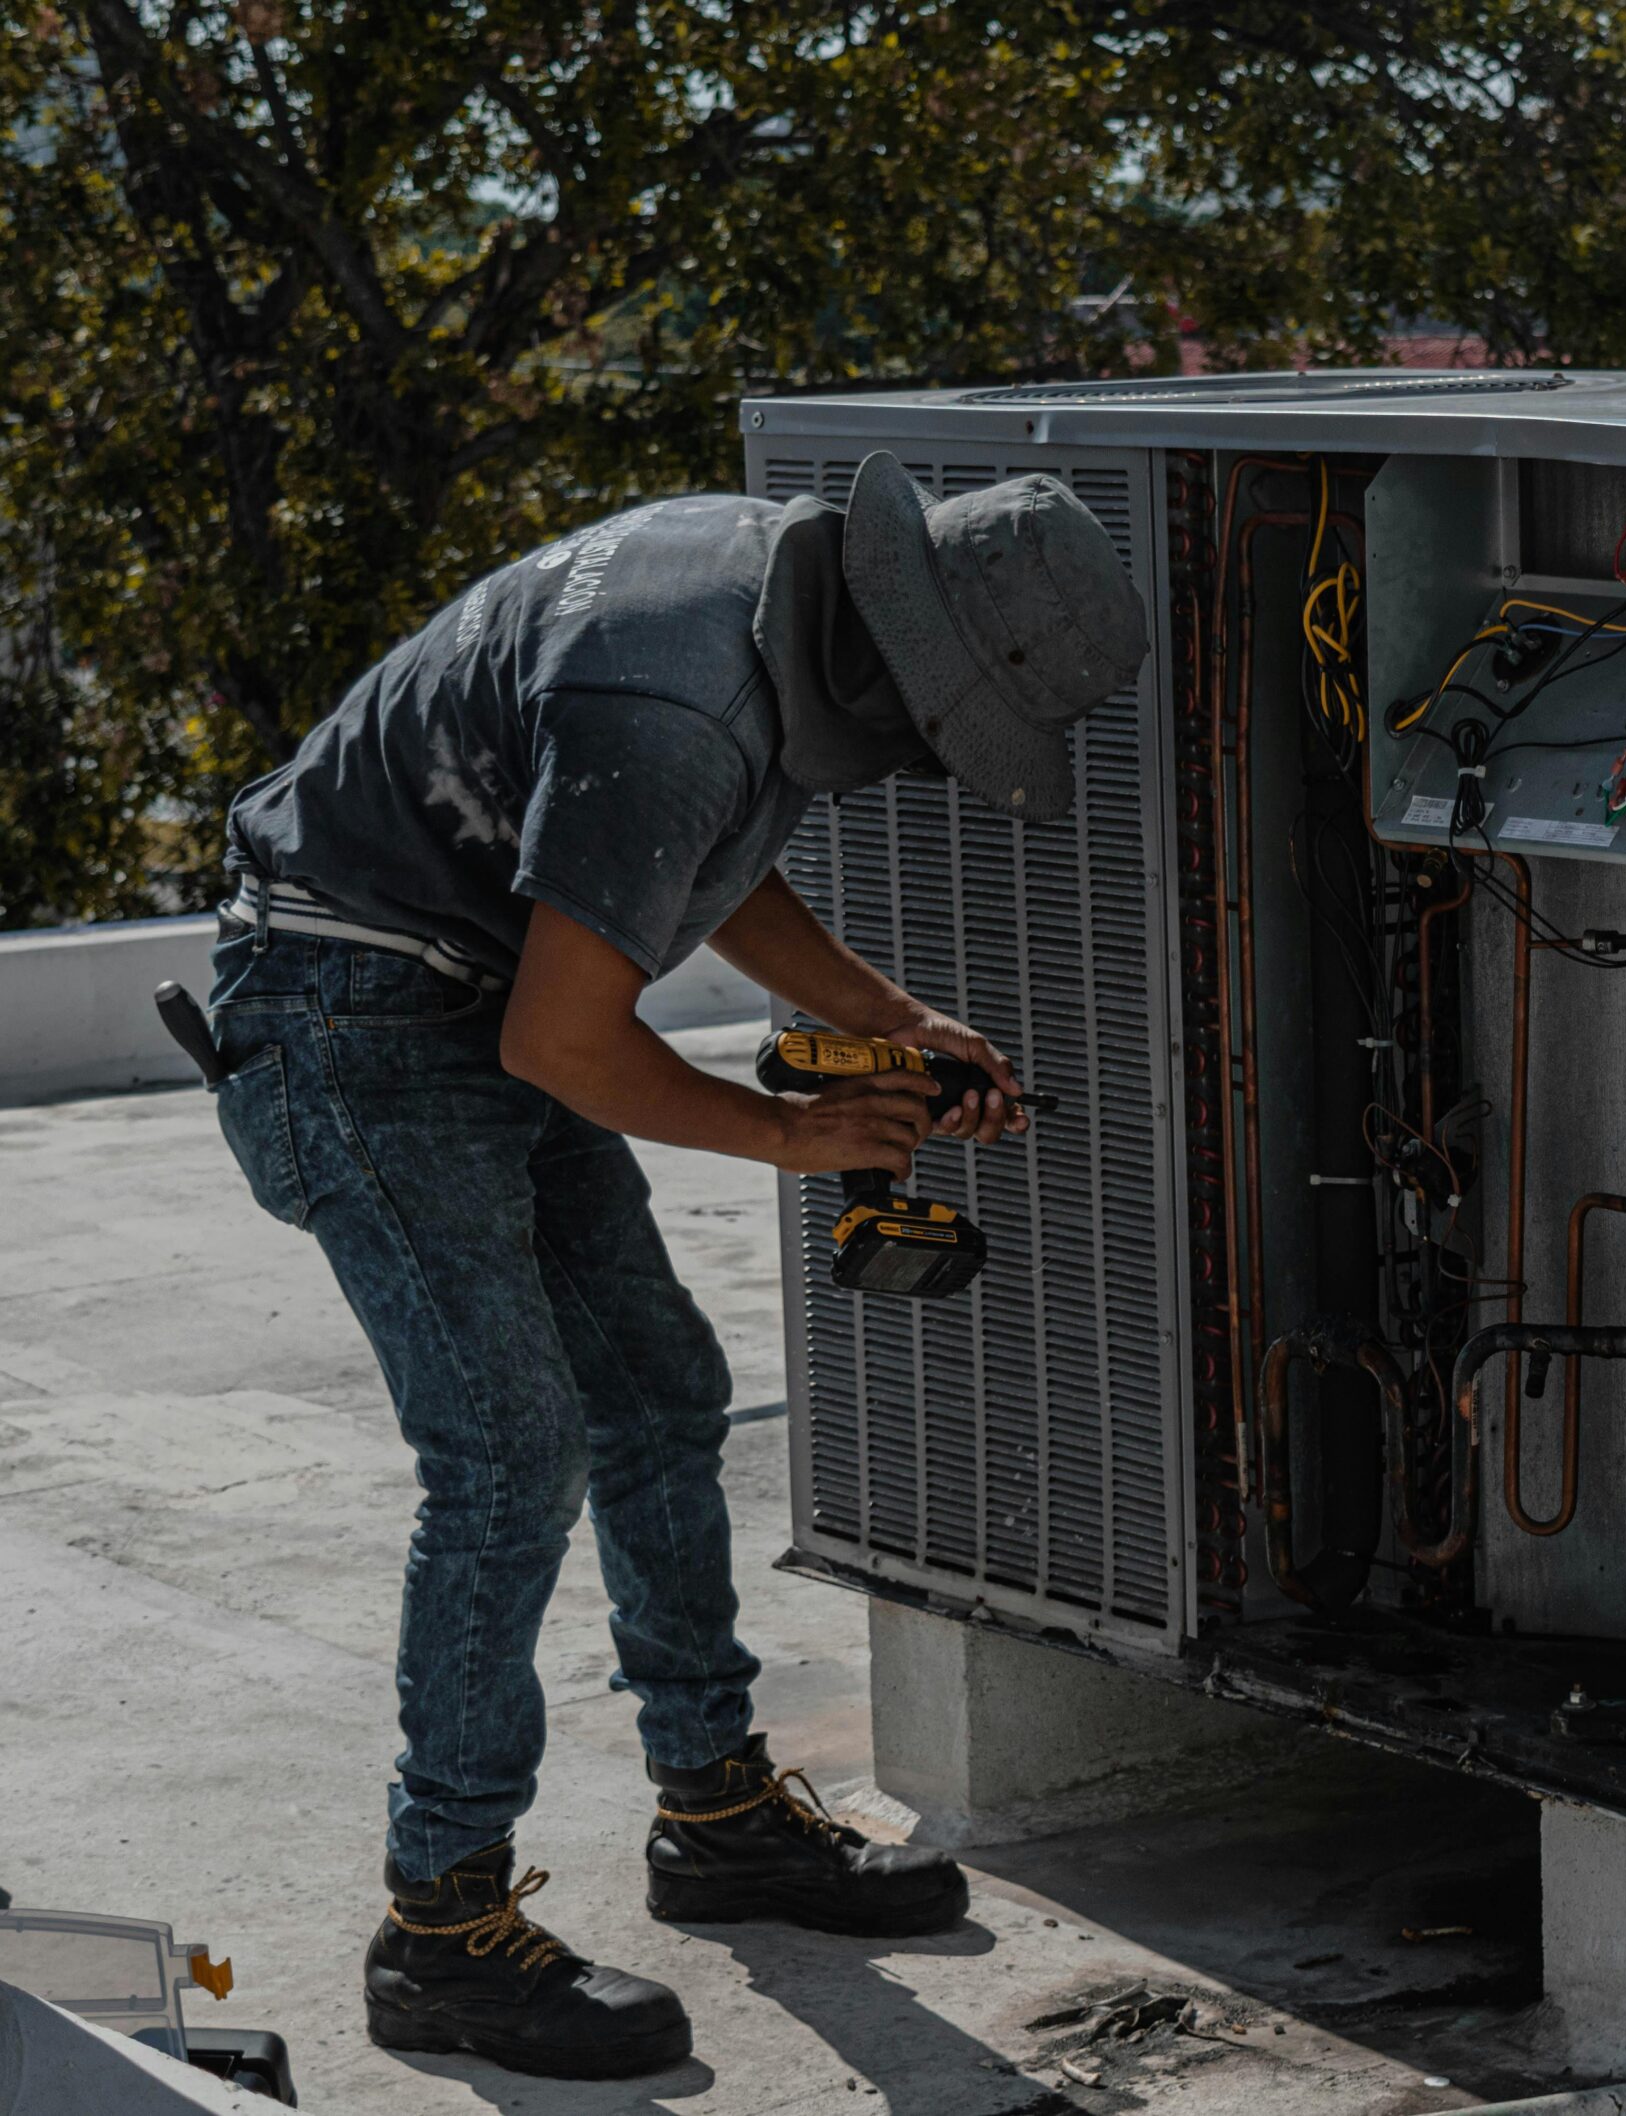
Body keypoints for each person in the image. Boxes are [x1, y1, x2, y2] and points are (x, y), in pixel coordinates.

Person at [205, 453, 1148, 2081]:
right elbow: (566, 1036)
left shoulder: (755, 584)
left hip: (450, 982)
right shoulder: (677, 699)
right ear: (900, 668)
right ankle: (438, 1929)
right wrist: (793, 1136)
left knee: (659, 1393)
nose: (922, 768)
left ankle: (715, 1818)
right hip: (345, 1018)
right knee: (511, 1450)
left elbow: (681, 856)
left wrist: (888, 1019)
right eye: (939, 737)